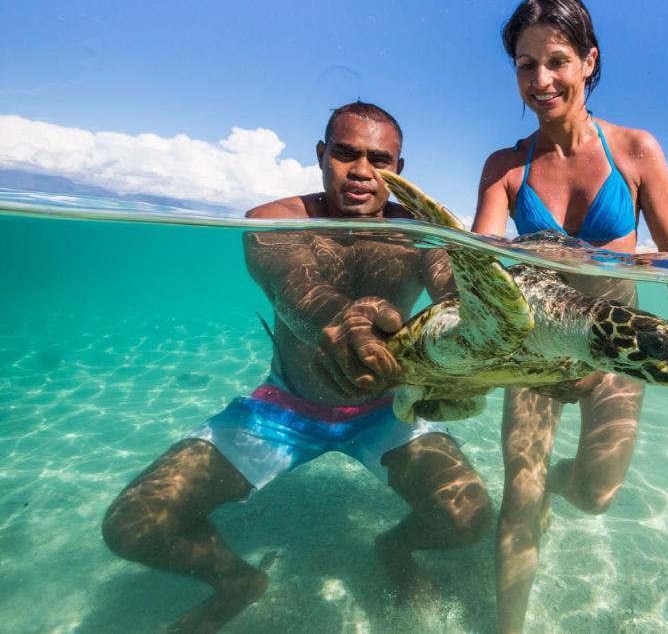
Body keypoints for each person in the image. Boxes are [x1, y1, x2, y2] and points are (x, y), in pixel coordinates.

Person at [102, 102, 491, 633]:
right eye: (345, 153)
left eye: (380, 160)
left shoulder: (424, 233)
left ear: (400, 169)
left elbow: (462, 298)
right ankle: (237, 581)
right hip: (286, 407)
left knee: (467, 517)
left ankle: (394, 547)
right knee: (133, 526)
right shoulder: (274, 221)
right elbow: (295, 286)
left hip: (389, 408)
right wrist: (344, 321)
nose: (361, 171)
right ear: (320, 154)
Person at [471, 0, 668, 633]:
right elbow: (479, 262)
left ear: (589, 62)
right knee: (518, 495)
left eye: (558, 61)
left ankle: (552, 491)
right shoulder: (504, 169)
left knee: (596, 495)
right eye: (524, 64)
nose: (540, 80)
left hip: (616, 354)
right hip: (539, 352)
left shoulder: (635, 151)